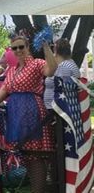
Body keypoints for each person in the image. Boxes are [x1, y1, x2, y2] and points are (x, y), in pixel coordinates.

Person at [0, 34, 55, 193]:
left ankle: (38, 191)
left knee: (35, 156)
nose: (18, 50)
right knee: (24, 154)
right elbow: (5, 88)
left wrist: (46, 48)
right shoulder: (12, 69)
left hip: (32, 111)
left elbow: (51, 71)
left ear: (28, 47)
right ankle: (34, 188)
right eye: (14, 48)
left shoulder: (37, 63)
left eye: (21, 47)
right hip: (15, 114)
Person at [42, 38, 80, 188]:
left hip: (57, 111)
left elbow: (59, 86)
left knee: (57, 146)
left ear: (56, 50)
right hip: (55, 110)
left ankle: (58, 179)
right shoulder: (71, 64)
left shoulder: (64, 66)